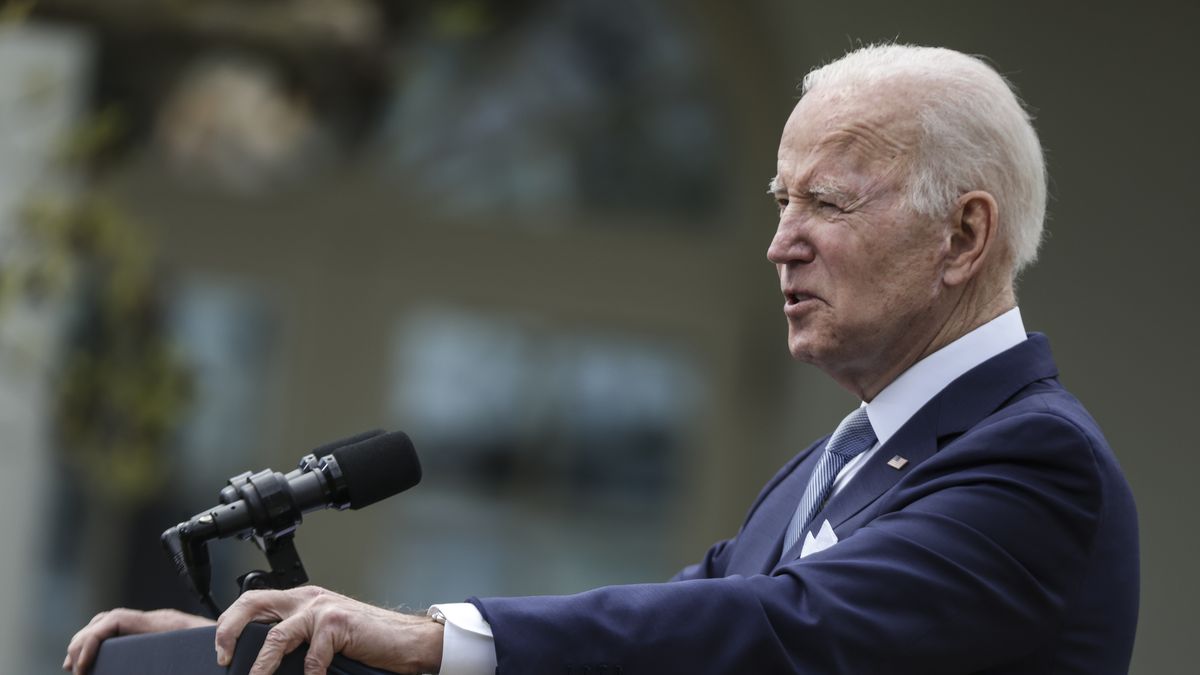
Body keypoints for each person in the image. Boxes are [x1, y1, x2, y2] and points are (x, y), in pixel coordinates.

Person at [64, 43, 1139, 675]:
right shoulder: (849, 458)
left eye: (827, 201)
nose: (781, 241)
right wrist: (271, 650)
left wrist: (437, 641)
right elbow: (649, 644)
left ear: (963, 237)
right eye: (778, 202)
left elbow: (772, 634)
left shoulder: (1036, 465)